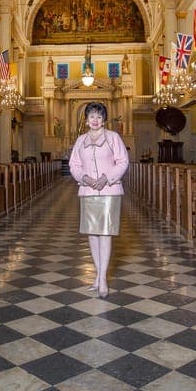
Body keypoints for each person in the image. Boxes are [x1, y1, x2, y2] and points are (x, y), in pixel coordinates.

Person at [68, 101, 129, 298]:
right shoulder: (80, 141)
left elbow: (123, 162)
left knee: (105, 233)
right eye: (91, 116)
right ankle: (97, 274)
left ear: (104, 120)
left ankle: (102, 278)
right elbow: (74, 165)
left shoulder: (113, 138)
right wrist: (83, 177)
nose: (95, 120)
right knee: (92, 234)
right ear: (86, 120)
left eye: (99, 117)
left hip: (110, 191)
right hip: (87, 192)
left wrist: (106, 178)